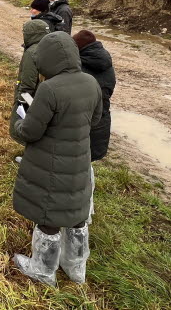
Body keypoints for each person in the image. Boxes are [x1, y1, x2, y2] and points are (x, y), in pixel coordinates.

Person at [11, 31, 102, 287]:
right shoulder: (90, 82)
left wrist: (18, 123)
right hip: (79, 161)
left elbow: (31, 131)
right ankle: (75, 267)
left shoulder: (49, 88)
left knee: (49, 214)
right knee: (75, 212)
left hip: (51, 162)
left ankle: (42, 269)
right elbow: (94, 120)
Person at [73, 30, 116, 224]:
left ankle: (79, 212)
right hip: (101, 120)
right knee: (87, 166)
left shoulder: (81, 65)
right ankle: (87, 210)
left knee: (77, 169)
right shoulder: (106, 63)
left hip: (84, 122)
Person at [9, 20, 50, 152]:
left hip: (30, 97)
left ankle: (31, 154)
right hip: (45, 97)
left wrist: (22, 100)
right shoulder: (50, 47)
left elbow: (28, 81)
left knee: (27, 125)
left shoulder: (32, 52)